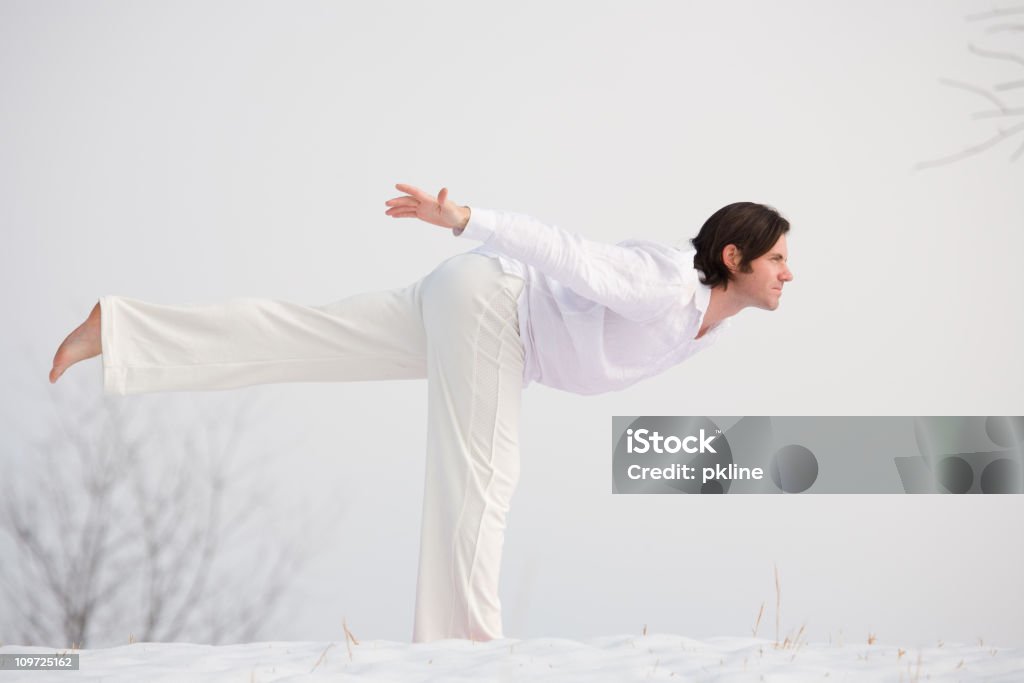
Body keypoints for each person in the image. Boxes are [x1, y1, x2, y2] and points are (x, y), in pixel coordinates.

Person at [48, 183, 794, 643]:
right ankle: (459, 654)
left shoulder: (706, 329)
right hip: (493, 306)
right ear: (734, 257)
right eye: (778, 260)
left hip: (477, 305)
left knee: (310, 337)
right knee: (484, 474)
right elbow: (571, 255)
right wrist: (468, 216)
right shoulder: (667, 283)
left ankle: (119, 331)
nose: (789, 273)